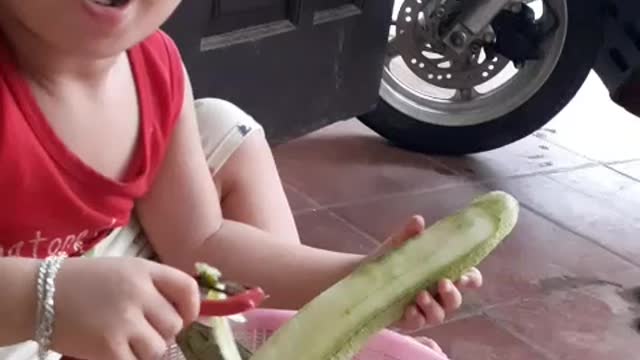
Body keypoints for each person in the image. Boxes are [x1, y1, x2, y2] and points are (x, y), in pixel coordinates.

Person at [0, 1, 483, 359]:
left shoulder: (154, 65)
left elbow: (203, 241)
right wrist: (42, 299)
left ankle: (279, 335)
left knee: (218, 124)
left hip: (95, 260)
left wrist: (362, 278)